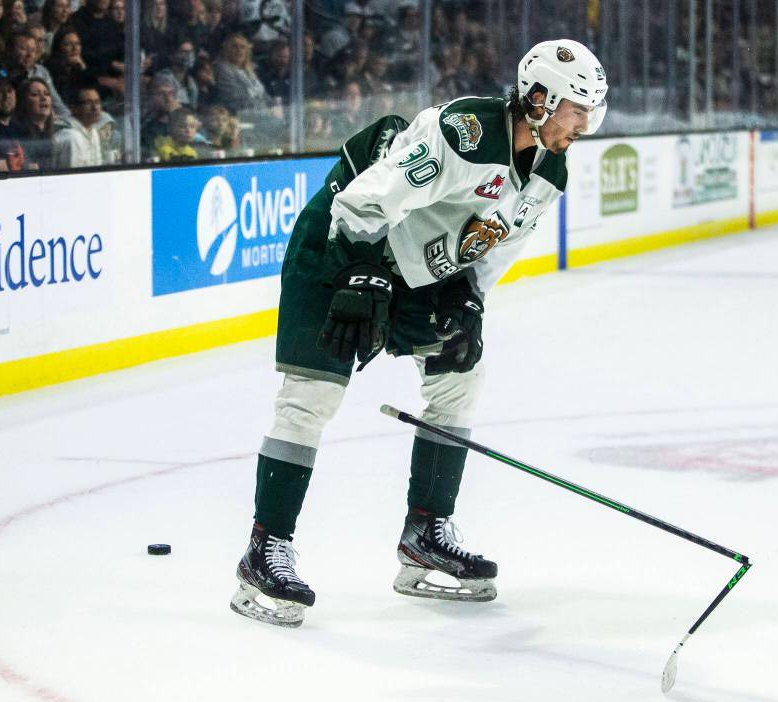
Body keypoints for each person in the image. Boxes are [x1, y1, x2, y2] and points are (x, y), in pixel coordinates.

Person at [229, 39, 609, 628]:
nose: (584, 123)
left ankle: (425, 533)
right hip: (341, 244)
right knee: (313, 395)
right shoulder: (465, 133)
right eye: (576, 108)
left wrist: (469, 303)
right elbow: (361, 202)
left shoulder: (550, 170)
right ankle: (265, 548)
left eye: (591, 110)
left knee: (461, 375)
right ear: (538, 99)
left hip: (420, 271)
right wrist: (359, 271)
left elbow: (495, 248)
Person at [53, 84, 104, 167]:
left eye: (97, 102)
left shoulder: (93, 131)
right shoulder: (70, 136)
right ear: (73, 108)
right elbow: (73, 177)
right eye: (88, 103)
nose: (95, 107)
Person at [14, 77, 56, 169]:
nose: (44, 98)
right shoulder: (17, 134)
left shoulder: (58, 133)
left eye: (47, 94)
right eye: (35, 94)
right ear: (23, 101)